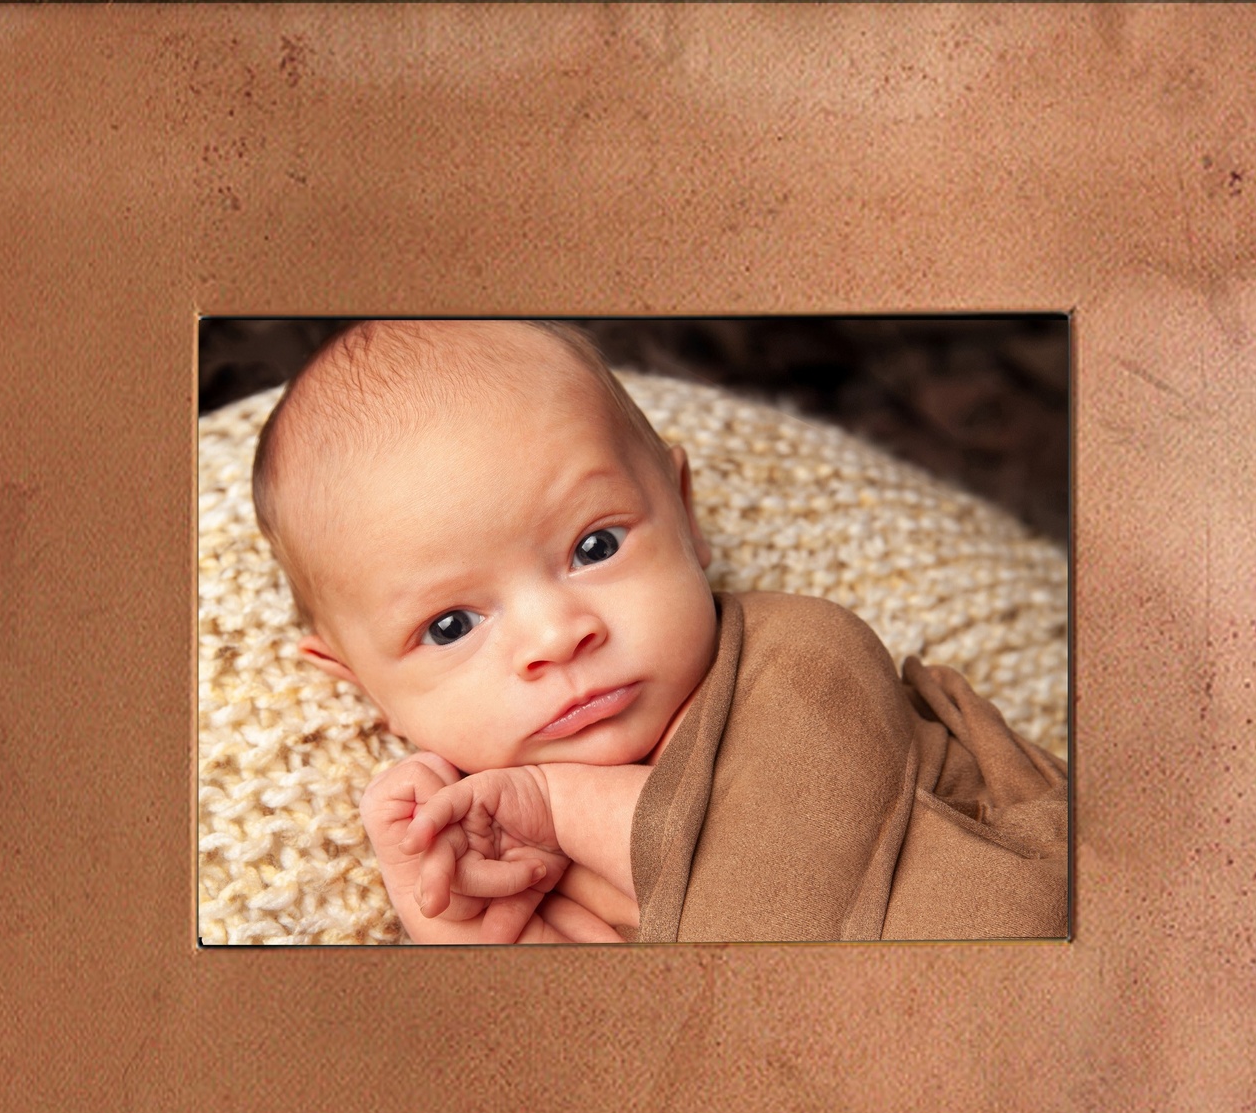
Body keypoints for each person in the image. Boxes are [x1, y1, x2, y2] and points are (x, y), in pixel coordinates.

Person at [252, 319, 1067, 944]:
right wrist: (464, 926)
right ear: (361, 685)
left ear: (684, 514)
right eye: (451, 624)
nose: (557, 635)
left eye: (593, 547)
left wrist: (562, 805)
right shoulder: (520, 857)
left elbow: (798, 900)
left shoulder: (804, 660)